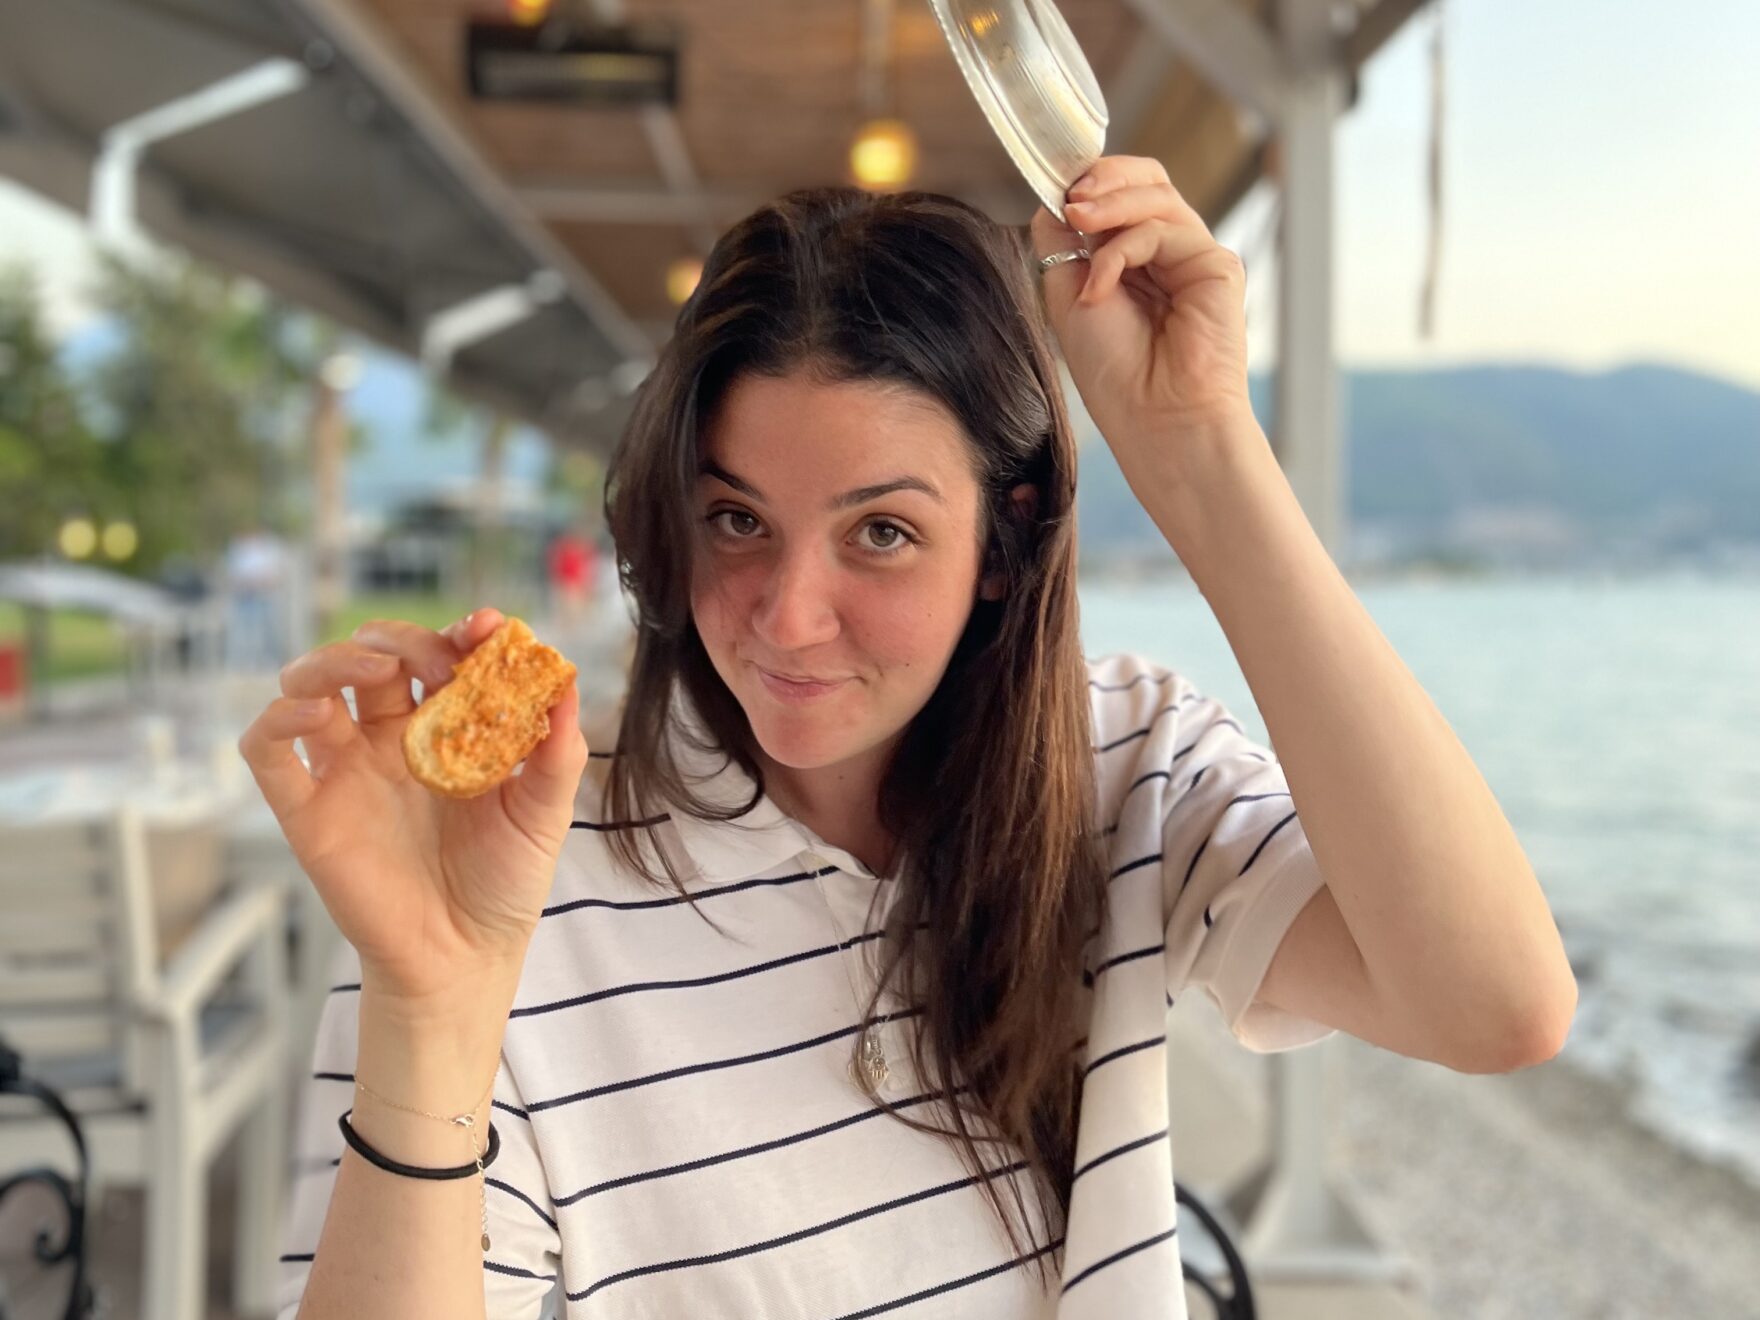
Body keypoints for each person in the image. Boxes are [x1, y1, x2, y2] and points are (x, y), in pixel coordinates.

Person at [246, 156, 1577, 1319]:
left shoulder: (1119, 760)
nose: (788, 616)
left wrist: (1199, 451)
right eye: (736, 520)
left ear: (1002, 548)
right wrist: (431, 996)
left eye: (881, 532)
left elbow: (1493, 1002)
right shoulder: (506, 878)